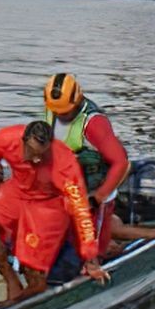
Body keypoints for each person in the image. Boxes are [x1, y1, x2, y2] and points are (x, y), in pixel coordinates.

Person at [0, 121, 106, 302]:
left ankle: (17, 303)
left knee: (35, 276)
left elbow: (80, 209)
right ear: (23, 141)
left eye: (41, 155)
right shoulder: (6, 138)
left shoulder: (64, 163)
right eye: (32, 152)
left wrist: (90, 257)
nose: (36, 159)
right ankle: (10, 279)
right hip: (18, 189)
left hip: (47, 204)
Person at [42, 74, 131, 257]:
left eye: (65, 111)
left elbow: (120, 162)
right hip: (65, 189)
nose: (60, 115)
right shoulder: (53, 109)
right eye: (57, 111)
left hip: (94, 190)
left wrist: (98, 198)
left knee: (92, 251)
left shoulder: (94, 123)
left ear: (78, 99)